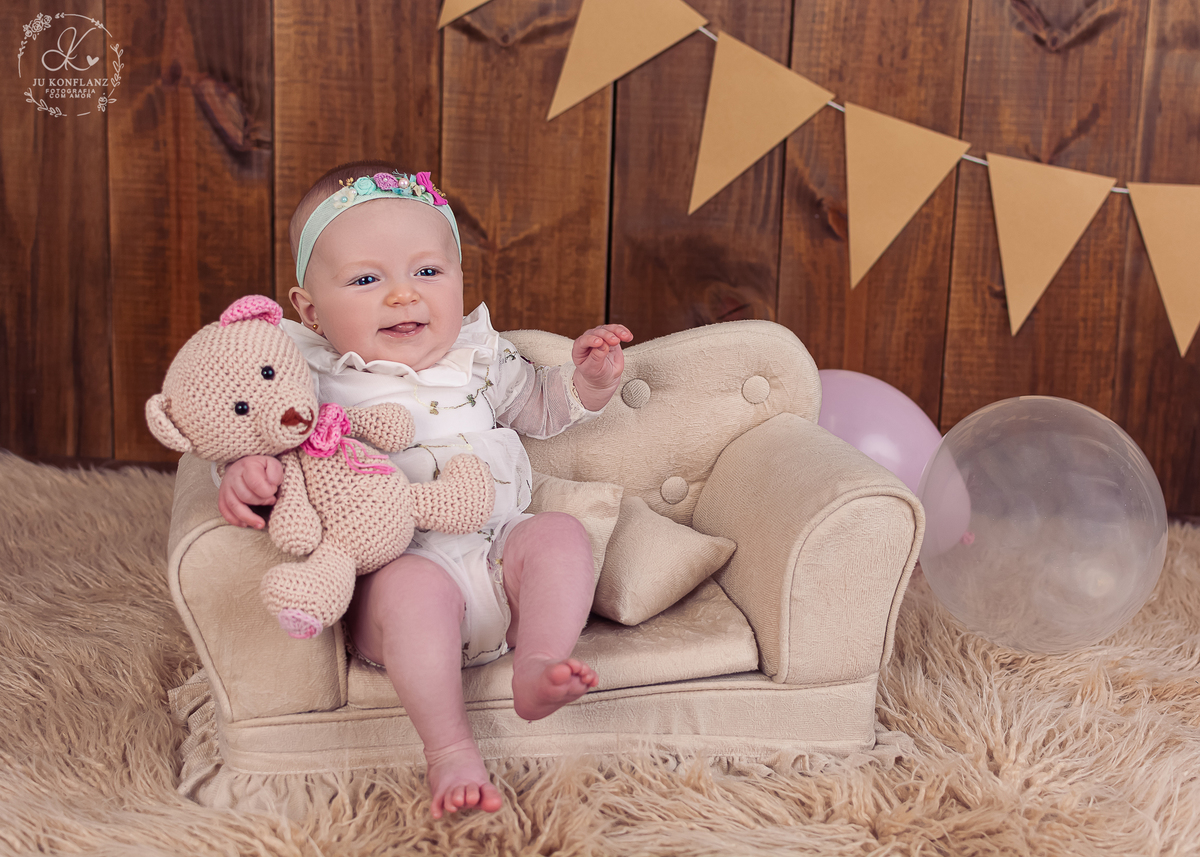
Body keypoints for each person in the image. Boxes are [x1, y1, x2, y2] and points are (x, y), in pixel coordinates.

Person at [216, 160, 632, 819]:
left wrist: (588, 383)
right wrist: (247, 470)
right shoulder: (306, 372)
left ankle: (539, 661)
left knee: (559, 534)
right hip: (395, 575)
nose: (403, 296)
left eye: (428, 272)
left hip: (498, 558)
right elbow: (254, 424)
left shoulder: (479, 355)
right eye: (366, 279)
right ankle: (450, 749)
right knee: (413, 588)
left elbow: (541, 407)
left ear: (459, 279)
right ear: (311, 310)